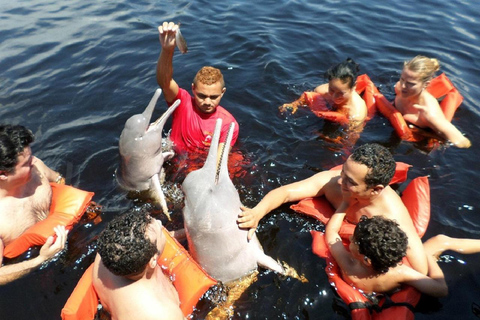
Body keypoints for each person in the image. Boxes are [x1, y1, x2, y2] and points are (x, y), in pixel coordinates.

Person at [237, 143, 428, 275]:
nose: (339, 181)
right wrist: (257, 212)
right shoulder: (333, 181)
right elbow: (286, 193)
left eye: (350, 182)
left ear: (375, 189)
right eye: (343, 172)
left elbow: (421, 269)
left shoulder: (391, 217)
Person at [326, 214, 480, 297]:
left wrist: (342, 207)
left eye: (354, 241)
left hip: (369, 293)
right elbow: (441, 289)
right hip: (391, 281)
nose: (351, 239)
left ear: (367, 260)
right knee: (440, 241)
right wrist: (428, 257)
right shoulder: (399, 273)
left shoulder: (349, 267)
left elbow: (332, 233)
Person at [156, 21, 239, 155]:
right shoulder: (182, 103)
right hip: (175, 159)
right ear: (193, 89)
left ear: (222, 93)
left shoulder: (228, 124)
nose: (207, 102)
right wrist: (167, 50)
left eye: (213, 97)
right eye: (201, 95)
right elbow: (164, 82)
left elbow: (218, 163)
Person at [0, 124, 68, 284]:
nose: (35, 162)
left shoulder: (37, 168)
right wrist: (41, 259)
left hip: (69, 233)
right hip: (36, 270)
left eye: (31, 156)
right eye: (26, 164)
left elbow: (59, 180)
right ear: (3, 174)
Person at [92, 209, 185, 320]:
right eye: (159, 232)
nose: (160, 223)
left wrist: (190, 233)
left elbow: (142, 241)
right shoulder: (161, 314)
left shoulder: (110, 249)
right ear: (152, 260)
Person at [394, 55, 471, 148]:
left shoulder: (430, 113)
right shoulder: (400, 87)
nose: (403, 86)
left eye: (410, 84)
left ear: (425, 84)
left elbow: (464, 143)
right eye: (402, 79)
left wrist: (427, 134)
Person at [279, 58, 368, 130]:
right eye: (331, 90)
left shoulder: (357, 113)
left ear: (353, 87)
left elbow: (353, 136)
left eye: (340, 93)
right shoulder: (321, 90)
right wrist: (295, 104)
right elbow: (308, 97)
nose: (334, 96)